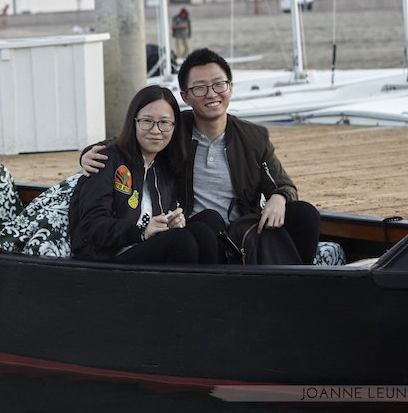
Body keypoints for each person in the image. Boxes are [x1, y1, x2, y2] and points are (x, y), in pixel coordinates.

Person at [82, 48, 320, 264]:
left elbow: (284, 184)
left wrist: (279, 196)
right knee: (209, 221)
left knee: (305, 213)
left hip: (242, 230)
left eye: (219, 84)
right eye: (200, 88)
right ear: (185, 96)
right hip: (199, 230)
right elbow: (135, 136)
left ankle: (299, 282)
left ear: (231, 87)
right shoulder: (175, 131)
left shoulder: (252, 137)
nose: (211, 94)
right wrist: (87, 154)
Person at [68, 85, 220, 264]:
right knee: (181, 242)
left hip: (142, 250)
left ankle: (210, 288)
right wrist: (141, 231)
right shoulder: (104, 159)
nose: (156, 130)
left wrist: (170, 222)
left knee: (209, 222)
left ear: (174, 127)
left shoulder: (163, 167)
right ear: (134, 122)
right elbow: (93, 225)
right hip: (106, 259)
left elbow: (160, 221)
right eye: (147, 121)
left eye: (164, 122)